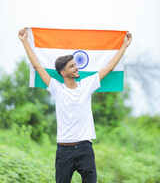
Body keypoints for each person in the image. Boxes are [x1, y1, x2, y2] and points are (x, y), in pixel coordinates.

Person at [18, 28, 132, 183]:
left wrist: (124, 46)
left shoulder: (87, 84)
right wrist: (25, 41)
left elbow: (109, 67)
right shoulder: (57, 89)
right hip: (64, 151)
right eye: (71, 66)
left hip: (85, 149)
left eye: (75, 64)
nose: (76, 67)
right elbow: (37, 66)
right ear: (63, 73)